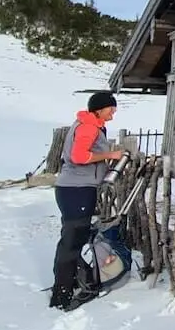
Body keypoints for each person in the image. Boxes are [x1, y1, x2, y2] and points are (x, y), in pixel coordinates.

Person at [49, 92, 124, 310]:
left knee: (73, 238)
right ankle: (61, 293)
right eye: (111, 108)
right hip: (77, 189)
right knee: (72, 241)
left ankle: (68, 282)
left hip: (76, 188)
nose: (114, 112)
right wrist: (111, 156)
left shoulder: (91, 124)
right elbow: (79, 157)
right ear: (99, 109)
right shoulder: (89, 126)